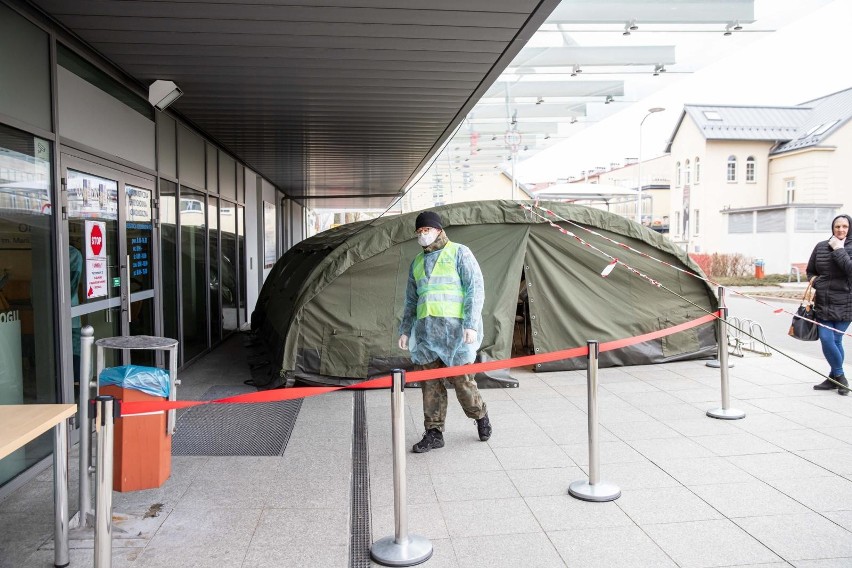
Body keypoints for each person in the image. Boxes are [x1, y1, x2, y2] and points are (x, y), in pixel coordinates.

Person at [398, 210, 491, 452]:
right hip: (427, 335)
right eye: (419, 232)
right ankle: (434, 433)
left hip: (456, 335)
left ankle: (480, 414)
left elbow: (475, 289)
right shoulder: (417, 262)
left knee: (463, 384)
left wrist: (470, 324)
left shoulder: (459, 253)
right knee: (430, 385)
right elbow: (411, 300)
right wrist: (405, 330)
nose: (422, 234)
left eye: (426, 230)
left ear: (438, 229)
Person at [807, 214, 852, 395]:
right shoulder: (820, 246)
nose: (840, 230)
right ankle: (839, 377)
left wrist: (839, 249)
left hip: (846, 301)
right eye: (837, 227)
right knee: (826, 338)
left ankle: (835, 377)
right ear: (832, 228)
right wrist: (816, 282)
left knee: (836, 340)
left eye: (844, 226)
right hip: (824, 301)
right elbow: (810, 271)